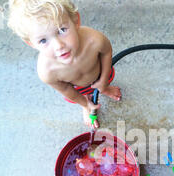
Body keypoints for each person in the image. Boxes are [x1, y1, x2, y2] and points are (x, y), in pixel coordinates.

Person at [7, 0, 122, 128]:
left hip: (100, 74)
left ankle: (105, 88)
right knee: (82, 99)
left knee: (104, 84)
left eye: (62, 30)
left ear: (75, 20)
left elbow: (106, 53)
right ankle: (86, 104)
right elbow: (66, 89)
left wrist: (104, 81)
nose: (59, 46)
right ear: (31, 43)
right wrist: (84, 103)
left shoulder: (94, 40)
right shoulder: (47, 71)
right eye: (43, 40)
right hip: (78, 88)